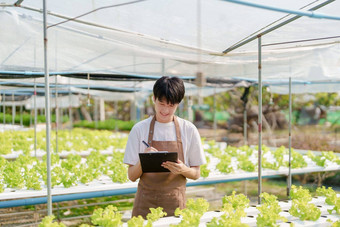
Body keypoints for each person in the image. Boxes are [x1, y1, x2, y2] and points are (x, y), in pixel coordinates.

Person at [123, 76, 206, 218]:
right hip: (145, 205)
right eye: (162, 103)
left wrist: (182, 169)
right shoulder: (139, 129)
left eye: (171, 105)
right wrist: (145, 160)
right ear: (154, 98)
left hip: (175, 204)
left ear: (178, 104)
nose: (166, 110)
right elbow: (131, 176)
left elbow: (196, 174)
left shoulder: (189, 129)